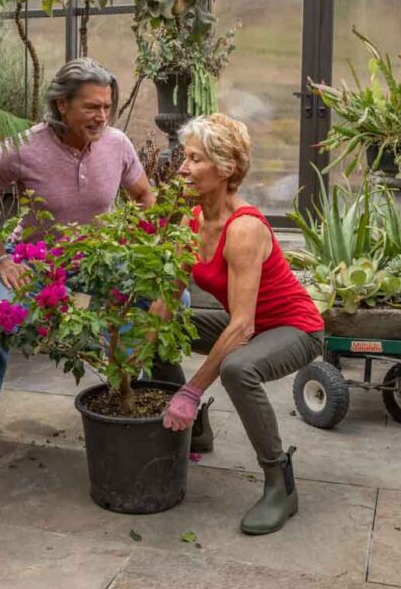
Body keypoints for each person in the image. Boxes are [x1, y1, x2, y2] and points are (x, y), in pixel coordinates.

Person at [0, 58, 156, 451]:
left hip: (98, 255)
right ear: (62, 104)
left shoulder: (117, 144)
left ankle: (159, 385)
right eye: (91, 107)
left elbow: (145, 195)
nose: (102, 117)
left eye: (106, 107)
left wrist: (137, 243)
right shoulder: (24, 146)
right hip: (35, 258)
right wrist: (1, 259)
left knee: (167, 296)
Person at [157, 114, 324, 536]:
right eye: (185, 157)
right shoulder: (190, 220)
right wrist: (133, 339)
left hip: (293, 328)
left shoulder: (244, 228)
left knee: (238, 367)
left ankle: (279, 483)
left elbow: (242, 329)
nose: (182, 167)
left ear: (227, 168)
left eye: (196, 159)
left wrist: (191, 390)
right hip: (243, 320)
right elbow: (167, 297)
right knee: (162, 329)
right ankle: (194, 432)